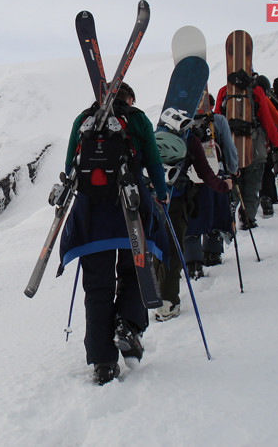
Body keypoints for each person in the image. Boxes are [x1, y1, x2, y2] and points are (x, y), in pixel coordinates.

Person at [58, 83, 169, 385]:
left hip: (91, 215)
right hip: (130, 209)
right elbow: (155, 163)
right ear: (129, 98)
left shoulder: (83, 121)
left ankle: (103, 363)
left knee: (97, 287)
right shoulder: (137, 119)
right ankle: (128, 325)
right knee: (135, 272)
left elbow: (70, 166)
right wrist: (162, 194)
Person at [153, 108, 233, 320]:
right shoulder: (191, 140)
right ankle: (168, 303)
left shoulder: (154, 135)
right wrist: (224, 186)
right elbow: (206, 174)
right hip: (177, 200)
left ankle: (155, 295)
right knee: (173, 249)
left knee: (156, 248)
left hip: (152, 200)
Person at [215, 71, 278, 229]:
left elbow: (218, 117)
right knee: (252, 186)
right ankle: (248, 218)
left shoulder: (224, 91)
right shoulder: (256, 91)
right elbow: (267, 119)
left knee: (233, 183)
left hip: (231, 147)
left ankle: (229, 214)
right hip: (255, 147)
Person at [184, 93, 239, 276]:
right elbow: (229, 148)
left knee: (192, 219)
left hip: (190, 177)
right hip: (216, 173)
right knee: (215, 214)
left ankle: (193, 264)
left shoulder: (182, 121)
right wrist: (233, 169)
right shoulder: (219, 120)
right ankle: (212, 255)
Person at [254, 75, 278, 217]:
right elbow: (274, 119)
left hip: (241, 144)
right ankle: (267, 198)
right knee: (266, 170)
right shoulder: (262, 99)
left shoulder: (237, 96)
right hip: (262, 143)